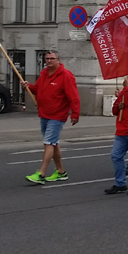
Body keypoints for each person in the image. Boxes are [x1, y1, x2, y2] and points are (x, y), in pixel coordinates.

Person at [23, 50, 80, 184]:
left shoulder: (66, 75)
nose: (49, 61)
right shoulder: (44, 74)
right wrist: (28, 87)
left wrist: (75, 113)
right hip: (44, 113)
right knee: (53, 143)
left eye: (52, 58)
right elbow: (37, 89)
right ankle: (61, 172)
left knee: (48, 142)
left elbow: (74, 96)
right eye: (47, 58)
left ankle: (41, 173)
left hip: (57, 115)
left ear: (58, 60)